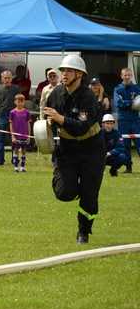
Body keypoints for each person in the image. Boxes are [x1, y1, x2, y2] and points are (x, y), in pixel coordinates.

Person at [44, 54, 105, 244]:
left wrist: (60, 118)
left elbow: (81, 127)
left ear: (79, 74)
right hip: (67, 149)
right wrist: (49, 122)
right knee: (64, 192)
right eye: (63, 70)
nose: (64, 74)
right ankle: (66, 178)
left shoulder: (89, 97)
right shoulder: (54, 94)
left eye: (69, 70)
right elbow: (50, 118)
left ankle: (83, 232)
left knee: (89, 196)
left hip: (92, 149)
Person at [113, 67, 140, 173]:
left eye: (129, 75)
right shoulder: (117, 89)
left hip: (135, 121)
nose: (127, 77)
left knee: (139, 144)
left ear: (131, 76)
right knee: (125, 145)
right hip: (123, 121)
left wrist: (126, 102)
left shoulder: (137, 88)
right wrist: (132, 103)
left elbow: (138, 103)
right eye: (125, 75)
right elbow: (118, 104)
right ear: (121, 76)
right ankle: (128, 167)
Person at [0, 70, 20, 166]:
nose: (7, 80)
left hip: (14, 116)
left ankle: (15, 159)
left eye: (9, 78)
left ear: (11, 78)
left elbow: (19, 103)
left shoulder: (16, 89)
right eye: (5, 78)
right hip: (1, 116)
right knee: (0, 139)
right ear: (2, 78)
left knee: (14, 139)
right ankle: (0, 160)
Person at [9, 94, 31, 172]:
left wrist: (28, 136)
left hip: (24, 135)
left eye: (22, 101)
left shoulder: (27, 112)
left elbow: (28, 124)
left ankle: (23, 166)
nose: (20, 103)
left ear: (24, 102)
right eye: (18, 101)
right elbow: (11, 124)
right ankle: (16, 167)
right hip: (16, 135)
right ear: (15, 102)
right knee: (16, 150)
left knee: (24, 151)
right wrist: (13, 136)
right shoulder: (12, 112)